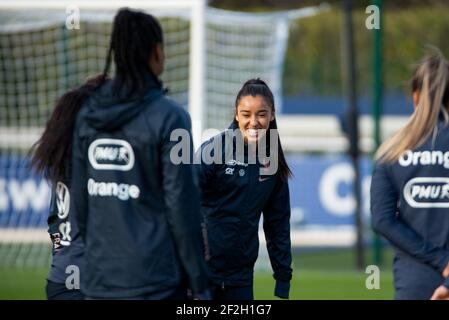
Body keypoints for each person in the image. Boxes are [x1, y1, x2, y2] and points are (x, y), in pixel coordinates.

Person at [70, 8, 209, 299]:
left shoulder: (87, 115)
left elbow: (80, 205)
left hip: (99, 282)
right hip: (155, 285)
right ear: (157, 52)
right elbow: (182, 207)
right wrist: (199, 283)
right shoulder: (173, 119)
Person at [197, 78, 293, 300]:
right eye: (246, 114)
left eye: (261, 114)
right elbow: (183, 201)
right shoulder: (214, 151)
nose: (254, 122)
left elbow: (277, 224)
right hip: (201, 275)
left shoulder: (273, 163)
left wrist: (283, 277)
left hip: (240, 278)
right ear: (236, 114)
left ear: (272, 115)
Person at [371, 48, 449, 300]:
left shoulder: (391, 150)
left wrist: (439, 258)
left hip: (412, 284)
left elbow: (382, 220)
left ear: (415, 98)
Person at [30, 75, 105, 300]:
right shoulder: (96, 161)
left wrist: (60, 251)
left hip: (61, 279)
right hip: (94, 282)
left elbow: (54, 225)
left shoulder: (60, 160)